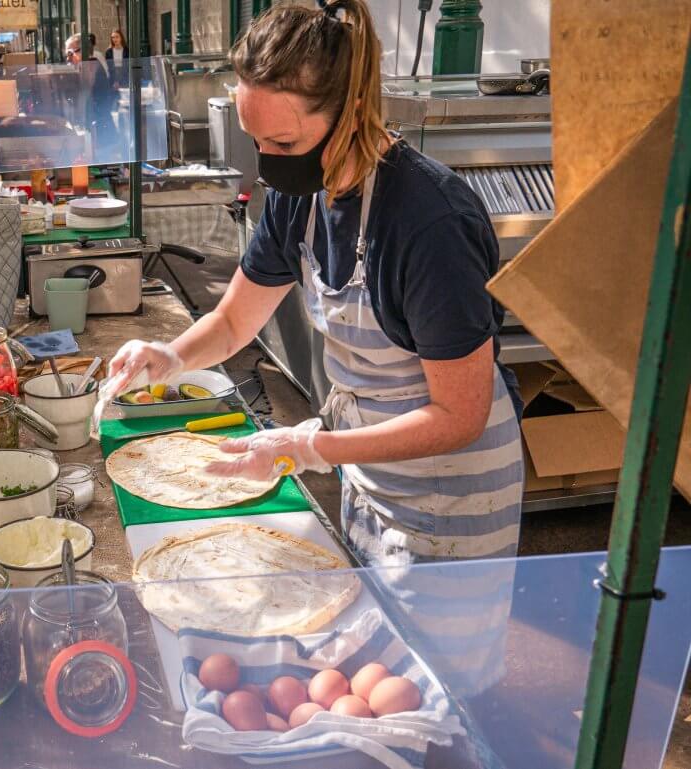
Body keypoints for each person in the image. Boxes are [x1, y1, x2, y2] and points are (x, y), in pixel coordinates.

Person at [106, 0, 522, 697]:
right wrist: (169, 355)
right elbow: (238, 320)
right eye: (255, 141)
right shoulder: (300, 194)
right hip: (367, 475)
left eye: (285, 146)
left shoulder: (426, 223)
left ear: (352, 108)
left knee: (437, 700)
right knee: (366, 677)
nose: (270, 164)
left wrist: (309, 448)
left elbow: (460, 414)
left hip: (453, 498)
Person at [65, 33, 119, 156]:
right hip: (98, 135)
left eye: (69, 53)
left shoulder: (90, 67)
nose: (68, 59)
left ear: (81, 52)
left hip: (101, 137)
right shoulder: (86, 67)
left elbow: (90, 105)